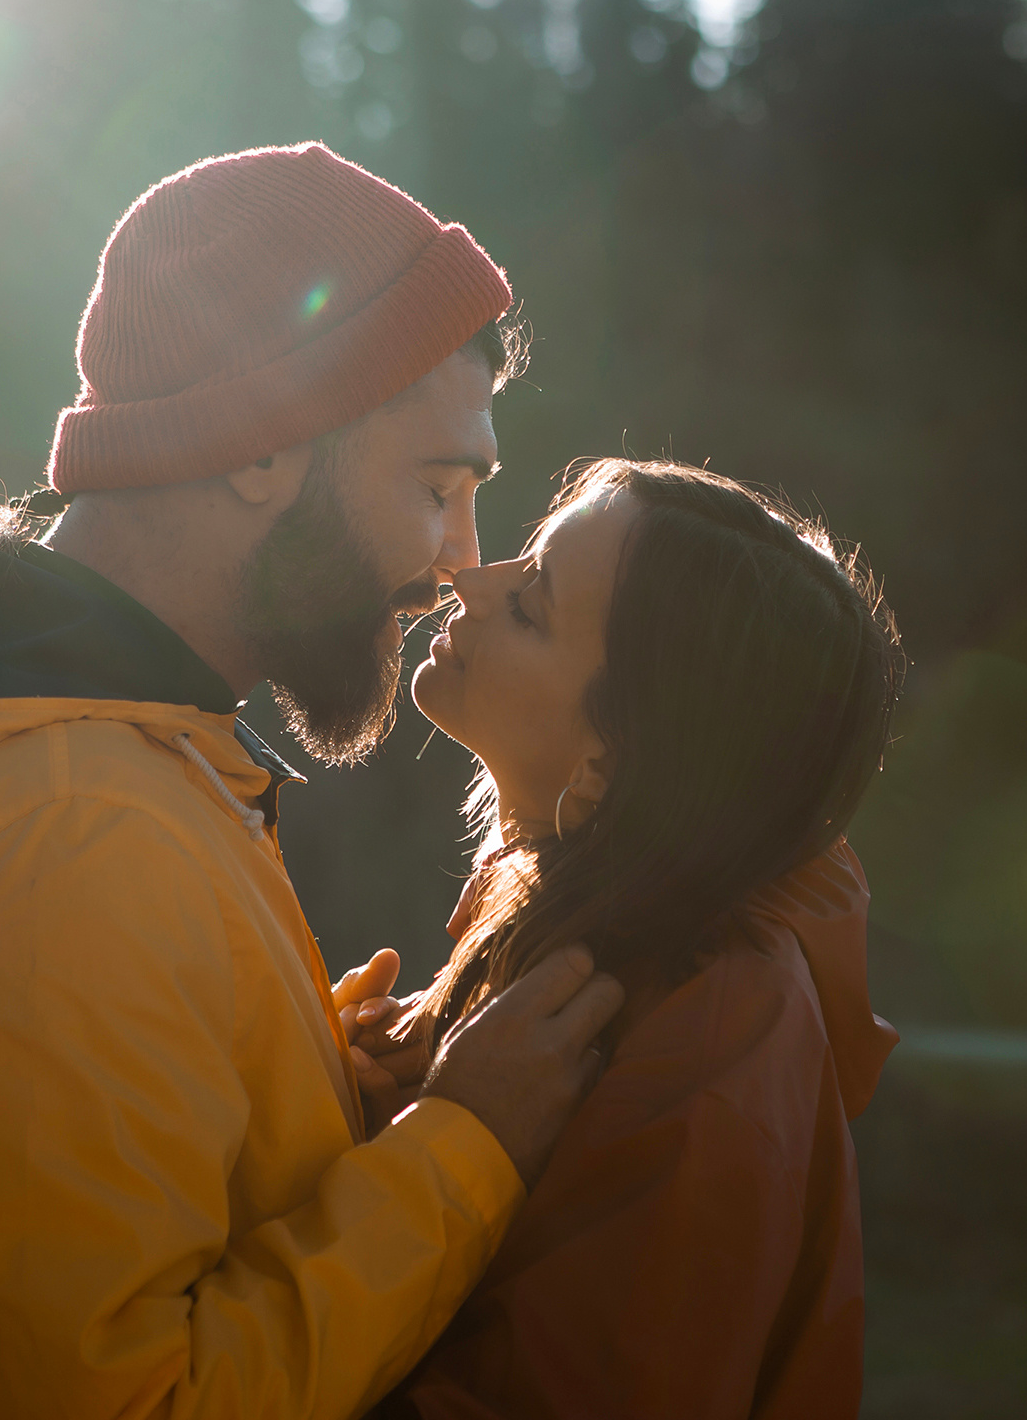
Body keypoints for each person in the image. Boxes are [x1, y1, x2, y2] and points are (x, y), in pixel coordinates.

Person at [0, 143, 622, 1419]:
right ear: (260, 449)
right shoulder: (66, 839)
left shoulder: (103, 764)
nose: (461, 561)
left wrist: (302, 1102)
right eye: (438, 486)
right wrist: (467, 1151)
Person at [345, 458, 908, 1418]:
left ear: (610, 763)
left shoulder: (716, 1033)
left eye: (530, 605)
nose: (468, 580)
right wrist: (360, 1106)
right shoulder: (570, 903)